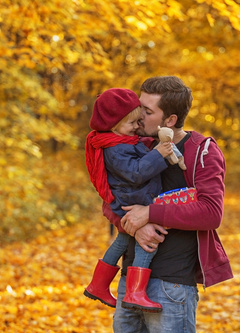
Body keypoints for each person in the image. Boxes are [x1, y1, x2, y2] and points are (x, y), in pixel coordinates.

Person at [102, 76, 233, 332]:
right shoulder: (135, 147)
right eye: (140, 107)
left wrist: (150, 213)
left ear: (170, 121)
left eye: (147, 111)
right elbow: (109, 201)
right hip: (129, 278)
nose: (138, 116)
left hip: (171, 285)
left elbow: (211, 213)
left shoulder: (201, 151)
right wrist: (134, 225)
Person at [84, 88, 173, 313]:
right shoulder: (115, 148)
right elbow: (135, 172)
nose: (137, 127)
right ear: (114, 125)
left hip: (131, 198)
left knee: (123, 241)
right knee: (147, 239)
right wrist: (159, 153)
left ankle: (98, 285)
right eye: (132, 123)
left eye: (138, 121)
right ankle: (135, 292)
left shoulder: (120, 141)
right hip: (133, 200)